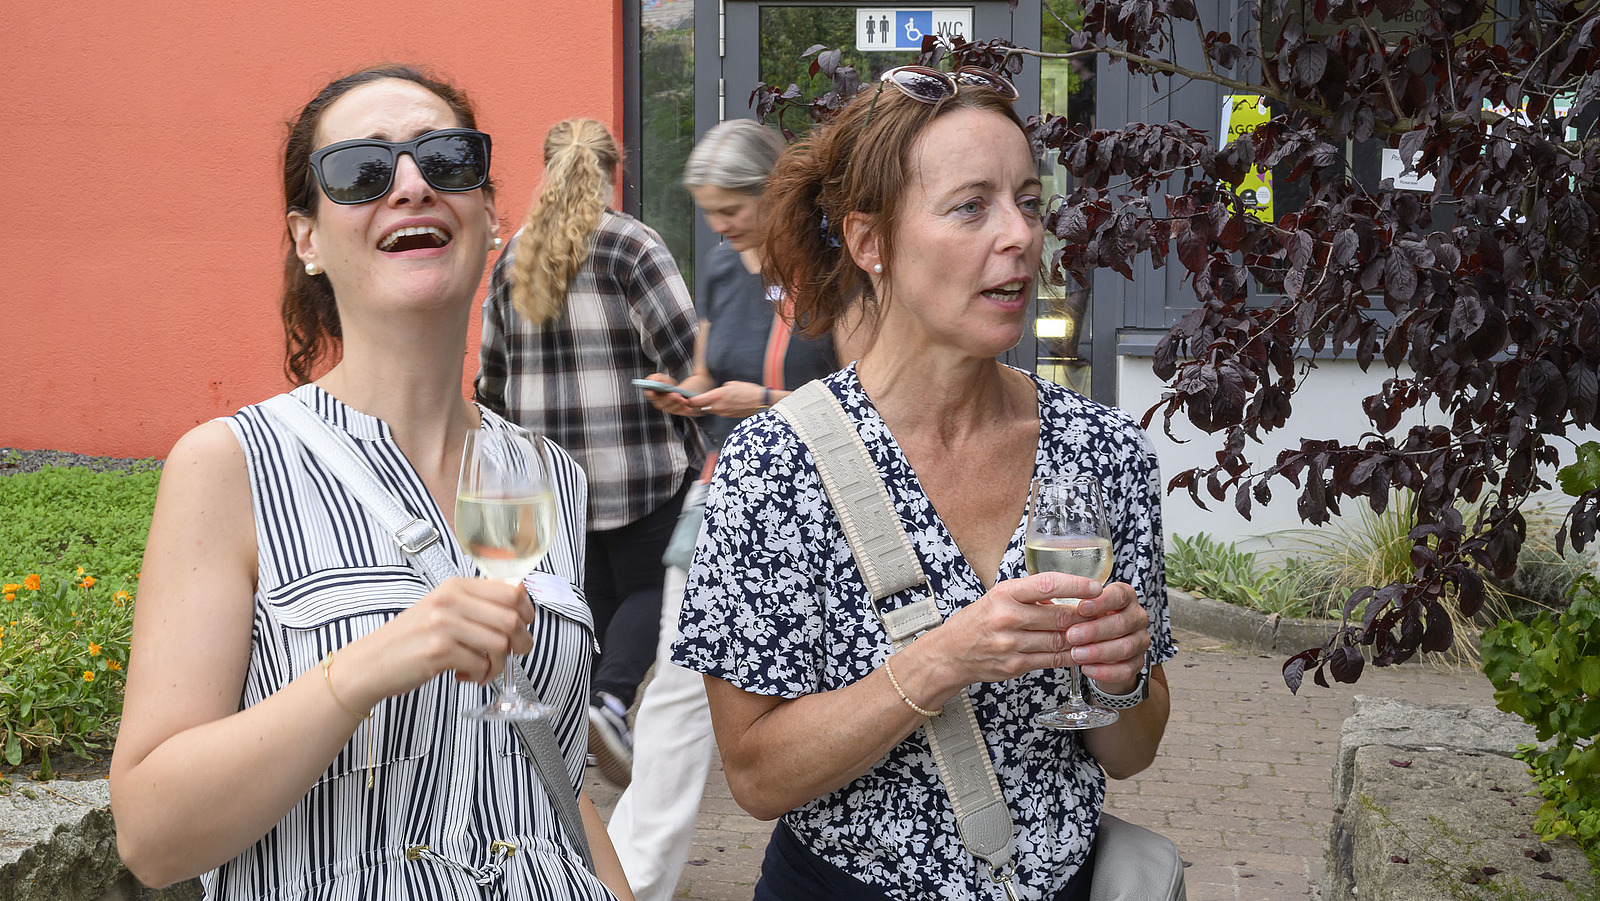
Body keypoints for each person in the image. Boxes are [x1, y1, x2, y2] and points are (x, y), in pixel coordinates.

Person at [109, 65, 632, 900]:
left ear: (490, 215)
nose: (414, 185)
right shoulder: (234, 467)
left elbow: (539, 769)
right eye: (362, 170)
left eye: (447, 157)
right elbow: (151, 833)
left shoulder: (538, 473)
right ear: (307, 238)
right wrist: (370, 664)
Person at [671, 66, 1175, 900]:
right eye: (971, 206)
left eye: (1028, 200)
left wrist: (1118, 678)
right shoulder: (774, 468)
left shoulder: (1104, 450)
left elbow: (1135, 747)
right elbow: (757, 776)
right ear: (869, 242)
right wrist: (943, 657)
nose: (1018, 234)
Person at [607, 118, 850, 901]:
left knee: (826, 688)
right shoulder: (718, 264)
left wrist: (768, 402)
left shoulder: (829, 267)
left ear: (770, 192)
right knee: (679, 678)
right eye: (707, 211)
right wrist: (694, 395)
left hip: (823, 498)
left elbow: (873, 397)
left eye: (729, 210)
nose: (717, 226)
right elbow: (711, 368)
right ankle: (629, 874)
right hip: (725, 489)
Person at [476, 119, 702, 789]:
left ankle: (568, 740)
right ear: (613, 170)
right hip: (639, 473)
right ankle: (609, 703)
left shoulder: (513, 257)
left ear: (547, 169)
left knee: (588, 606)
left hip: (551, 481)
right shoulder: (633, 244)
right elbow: (686, 355)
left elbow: (490, 379)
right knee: (652, 587)